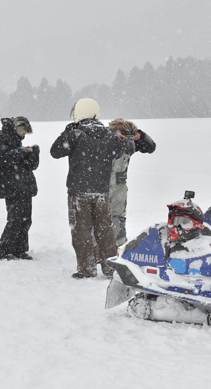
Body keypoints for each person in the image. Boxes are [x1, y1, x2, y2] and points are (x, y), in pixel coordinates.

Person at [50, 98, 127, 279]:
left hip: (79, 192)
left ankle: (87, 269)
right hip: (101, 192)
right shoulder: (109, 136)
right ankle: (111, 269)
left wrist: (68, 131)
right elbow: (119, 150)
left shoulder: (75, 134)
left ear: (78, 113)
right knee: (105, 230)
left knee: (81, 231)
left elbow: (55, 152)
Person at [0, 116, 39, 261]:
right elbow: (4, 160)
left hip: (23, 186)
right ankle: (3, 251)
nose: (24, 135)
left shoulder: (16, 140)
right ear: (17, 128)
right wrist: (24, 151)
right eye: (24, 131)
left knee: (26, 219)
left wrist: (33, 153)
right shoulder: (1, 138)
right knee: (15, 219)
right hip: (12, 187)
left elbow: (26, 164)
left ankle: (19, 250)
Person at [106, 118, 156, 247]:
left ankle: (118, 247)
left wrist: (140, 135)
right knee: (100, 218)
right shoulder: (103, 139)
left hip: (119, 186)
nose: (124, 140)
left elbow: (151, 147)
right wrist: (111, 138)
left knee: (118, 218)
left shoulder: (131, 143)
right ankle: (98, 249)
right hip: (102, 184)